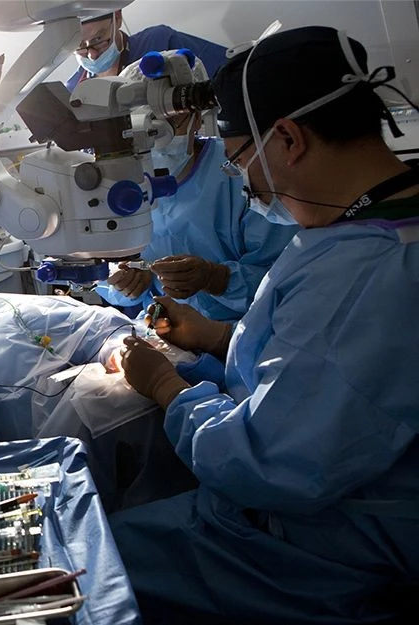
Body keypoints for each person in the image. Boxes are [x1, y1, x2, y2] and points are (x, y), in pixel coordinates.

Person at [113, 26, 419, 623]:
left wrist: (165, 386)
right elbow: (332, 370)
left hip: (329, 553)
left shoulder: (366, 272)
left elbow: (264, 464)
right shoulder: (372, 224)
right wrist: (215, 336)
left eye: (237, 164)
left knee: (94, 561)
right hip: (334, 500)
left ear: (287, 139)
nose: (245, 185)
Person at [94, 57, 299, 322]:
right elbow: (107, 272)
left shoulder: (241, 170)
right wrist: (126, 281)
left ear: (197, 115)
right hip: (161, 326)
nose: (155, 134)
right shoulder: (120, 180)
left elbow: (285, 283)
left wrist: (217, 278)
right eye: (143, 123)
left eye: (169, 120)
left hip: (243, 329)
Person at [65, 10, 227, 93]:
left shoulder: (160, 42)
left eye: (98, 39)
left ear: (118, 17)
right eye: (79, 46)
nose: (92, 55)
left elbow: (229, 76)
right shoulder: (73, 89)